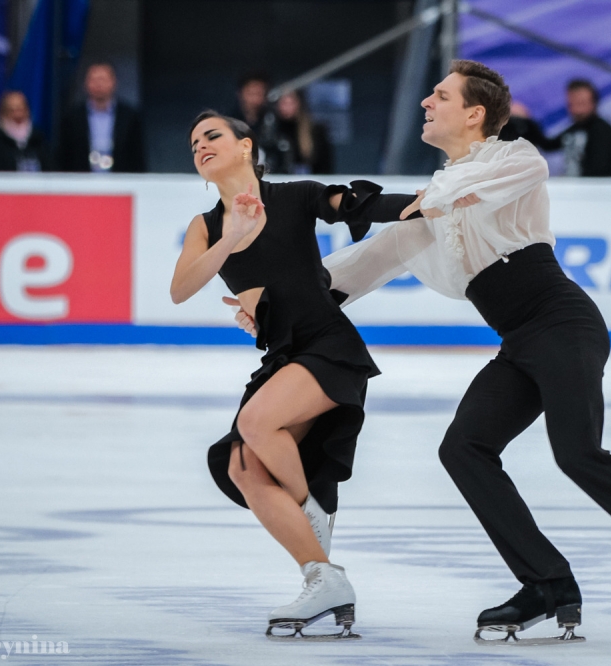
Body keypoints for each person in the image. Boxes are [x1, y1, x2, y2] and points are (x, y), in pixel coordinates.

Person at [318, 60, 611, 642]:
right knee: (465, 449)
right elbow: (357, 267)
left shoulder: (514, 159)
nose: (427, 102)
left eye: (440, 95)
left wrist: (374, 203)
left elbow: (446, 196)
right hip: (520, 340)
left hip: (564, 323)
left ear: (475, 114)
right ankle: (547, 582)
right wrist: (278, 302)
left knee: (579, 455)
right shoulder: (426, 211)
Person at [171, 111, 416, 639]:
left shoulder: (295, 196)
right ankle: (322, 575)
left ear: (245, 146)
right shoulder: (206, 226)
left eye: (212, 136)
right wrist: (229, 235)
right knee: (243, 467)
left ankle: (309, 513)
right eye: (193, 145)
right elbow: (181, 287)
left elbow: (356, 205)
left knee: (257, 424)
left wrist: (422, 206)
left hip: (327, 346)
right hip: (282, 357)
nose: (201, 148)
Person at [500, 79, 611, 177]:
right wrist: (524, 121)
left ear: (594, 103)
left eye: (582, 104)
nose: (577, 110)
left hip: (592, 196)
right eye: (572, 104)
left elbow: (600, 173)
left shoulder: (602, 132)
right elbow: (548, 144)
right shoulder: (576, 128)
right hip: (577, 193)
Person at [57, 62, 146, 173]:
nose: (98, 84)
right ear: (86, 83)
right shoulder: (72, 117)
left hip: (120, 182)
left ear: (114, 82)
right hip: (82, 182)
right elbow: (64, 156)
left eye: (103, 79)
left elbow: (137, 156)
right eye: (94, 79)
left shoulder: (129, 116)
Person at [271, 89, 334, 174]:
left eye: (291, 103)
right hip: (279, 181)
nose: (287, 108)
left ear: (299, 104)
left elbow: (325, 165)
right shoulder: (272, 130)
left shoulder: (315, 131)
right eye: (284, 103)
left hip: (310, 182)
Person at [0, 91, 49, 172]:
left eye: (20, 109)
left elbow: (52, 171)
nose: (17, 115)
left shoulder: (38, 139)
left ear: (27, 111)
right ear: (3, 114)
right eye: (11, 110)